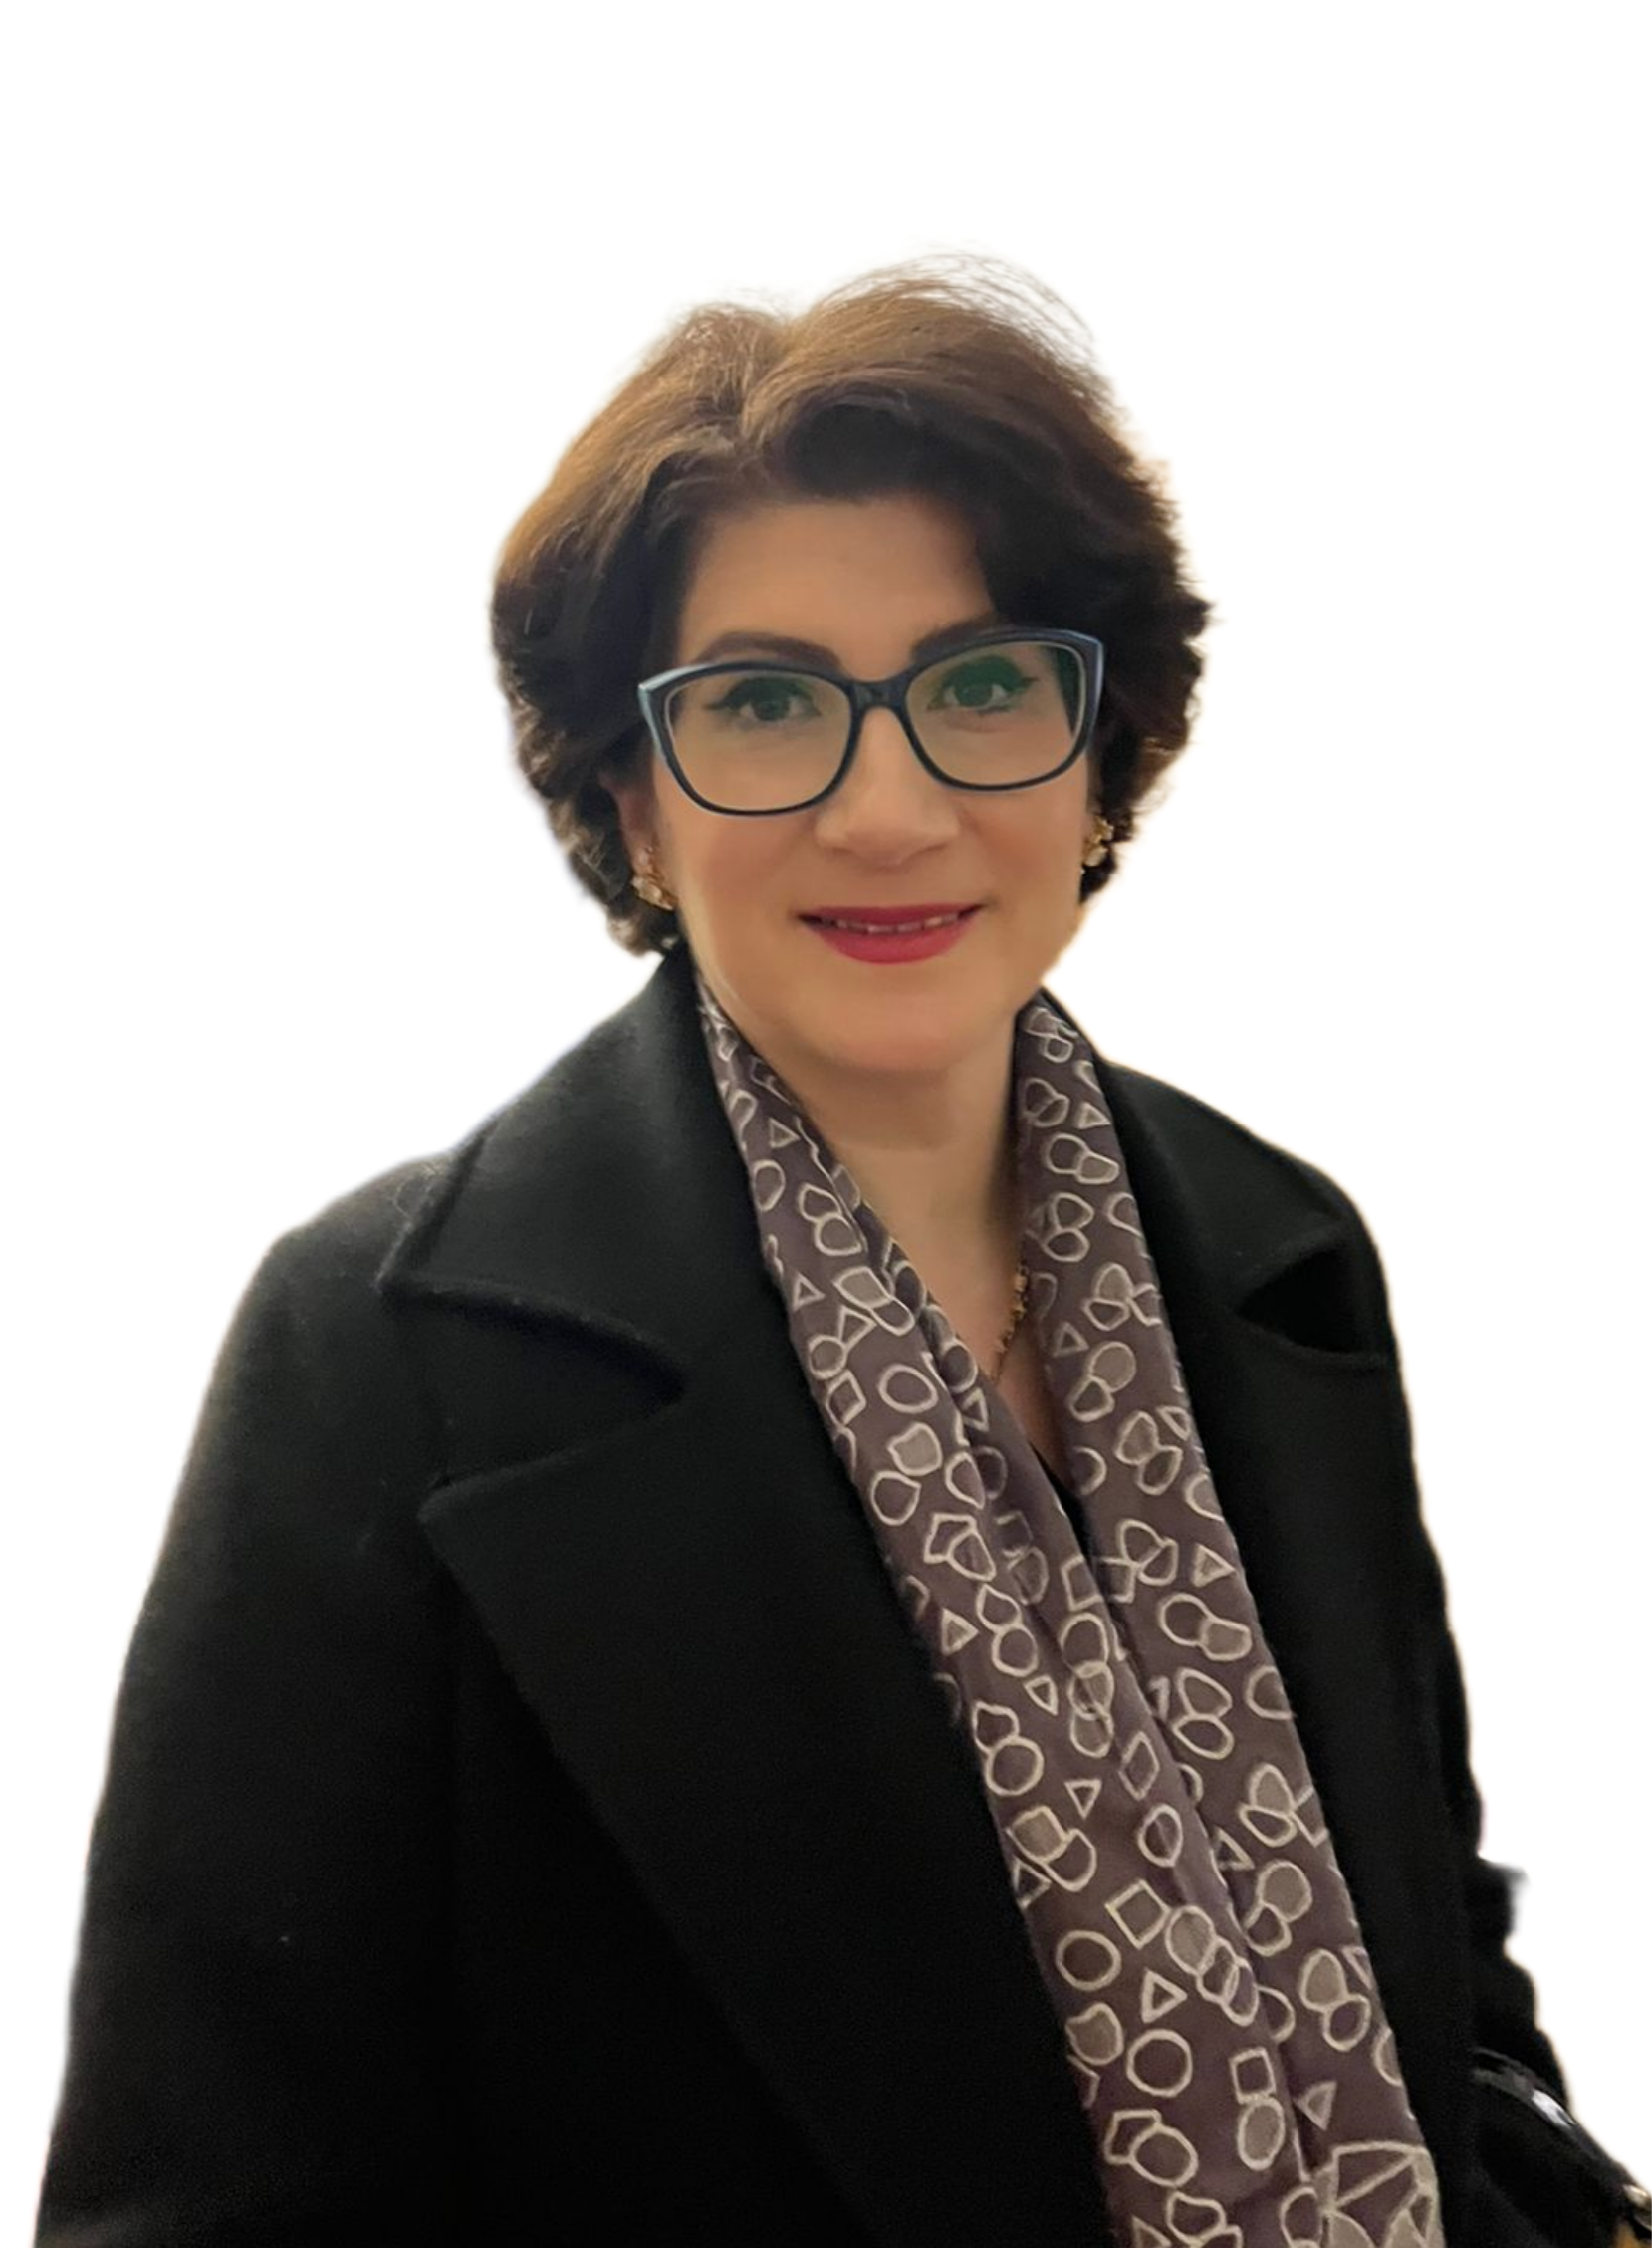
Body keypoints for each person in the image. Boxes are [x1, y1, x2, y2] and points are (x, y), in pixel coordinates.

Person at [35, 255, 1649, 2248]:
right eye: (762, 705)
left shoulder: (1276, 1252)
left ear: (1100, 753)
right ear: (629, 799)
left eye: (979, 688)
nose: (888, 809)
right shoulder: (390, 1353)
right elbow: (206, 2193)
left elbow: (1442, 1976)